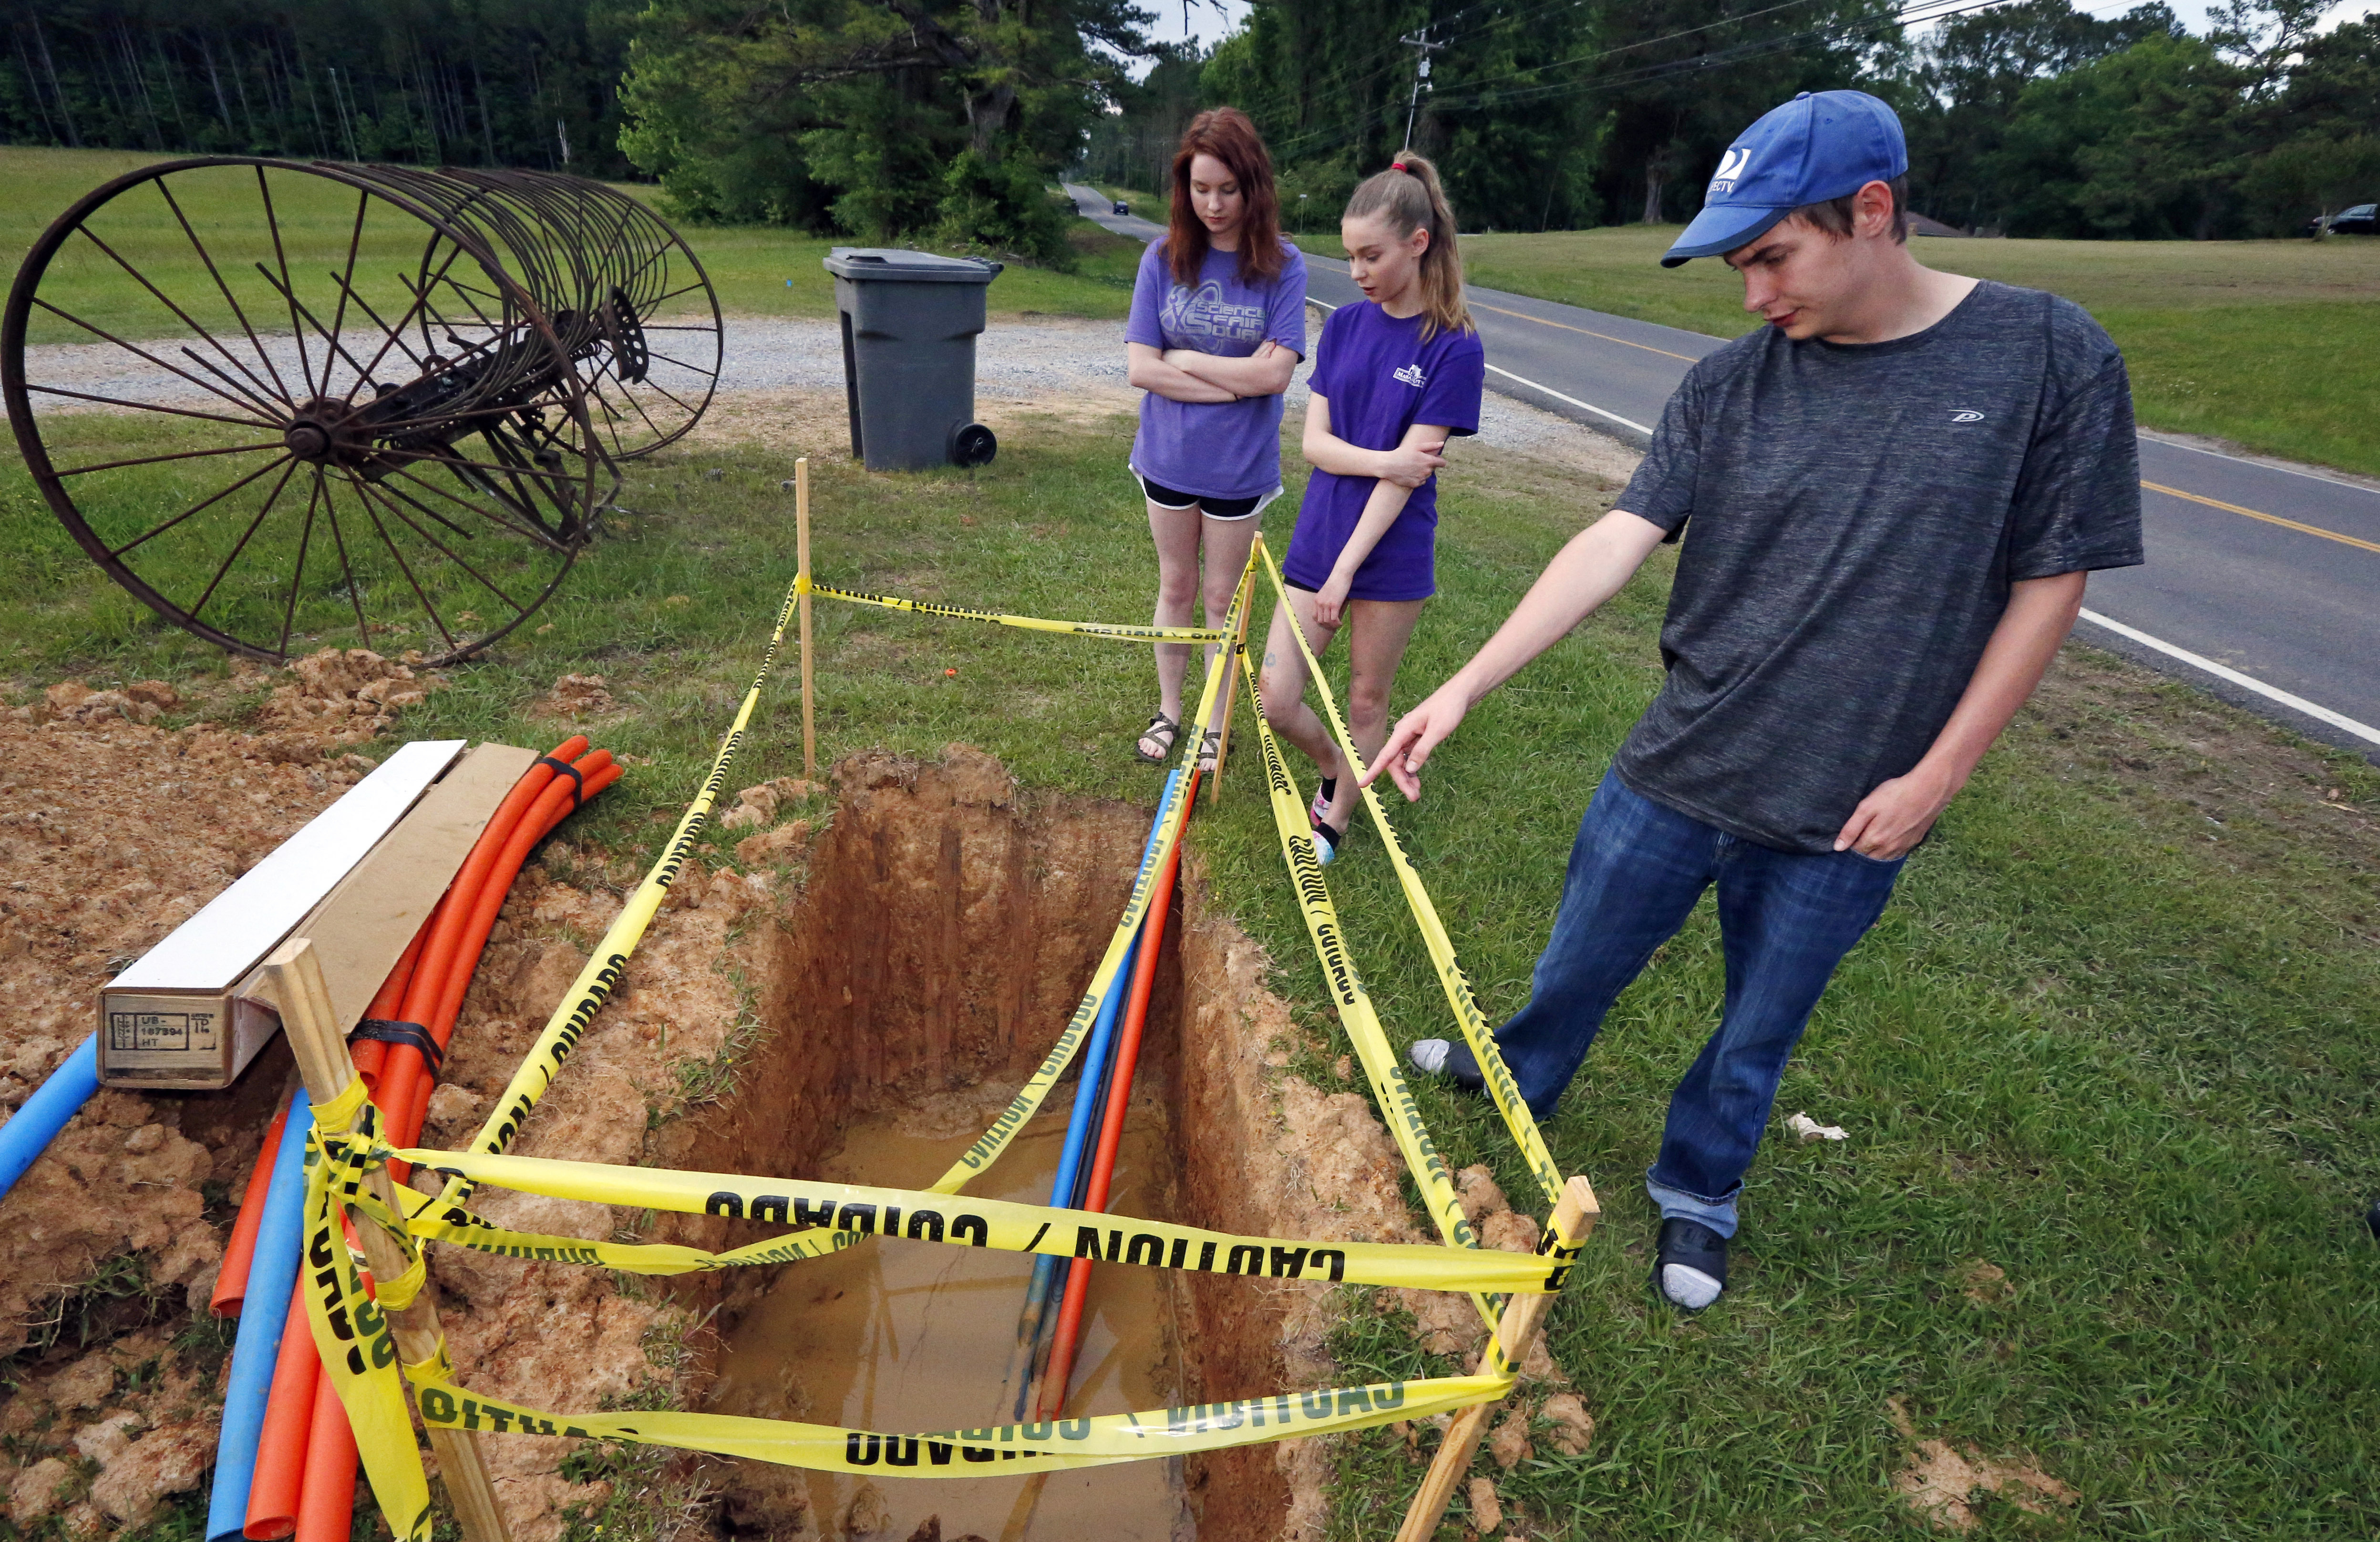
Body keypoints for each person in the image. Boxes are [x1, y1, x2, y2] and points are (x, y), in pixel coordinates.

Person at [1371, 91, 2144, 1310]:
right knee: (1579, 957)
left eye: (1773, 257)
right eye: (1740, 265)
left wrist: (1940, 774)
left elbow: (2054, 584)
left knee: (1758, 1030)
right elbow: (1613, 540)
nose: (1753, 295)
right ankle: (1518, 1068)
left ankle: (1699, 1193)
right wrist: (1465, 683)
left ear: (1873, 212)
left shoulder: (2049, 359)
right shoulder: (1730, 387)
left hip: (1856, 806)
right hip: (1679, 764)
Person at [1260, 154, 1484, 863]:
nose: (1356, 270)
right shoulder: (1347, 327)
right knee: (1275, 695)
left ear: (1418, 244)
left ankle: (1337, 817)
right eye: (1350, 254)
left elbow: (1406, 484)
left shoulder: (1455, 346)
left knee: (1365, 699)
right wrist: (1384, 458)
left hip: (1389, 552)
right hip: (1319, 534)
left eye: (1371, 255)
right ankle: (1334, 766)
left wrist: (1347, 571)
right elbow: (1316, 445)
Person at [1125, 106, 1309, 767]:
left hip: (1240, 468)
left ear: (1252, 186)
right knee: (1175, 587)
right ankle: (1171, 711)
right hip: (1167, 458)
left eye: (1227, 189)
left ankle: (1213, 719)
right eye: (1201, 189)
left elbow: (1278, 375)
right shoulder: (1162, 258)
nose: (1213, 204)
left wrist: (1189, 363)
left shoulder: (1283, 267)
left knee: (1221, 599)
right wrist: (1239, 379)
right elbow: (1140, 366)